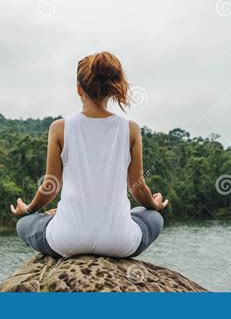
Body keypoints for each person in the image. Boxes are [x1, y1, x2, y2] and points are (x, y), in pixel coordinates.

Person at [10, 51, 168, 258]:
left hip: (66, 240)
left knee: (25, 223)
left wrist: (28, 210)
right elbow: (136, 186)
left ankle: (61, 215)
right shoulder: (131, 129)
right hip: (119, 243)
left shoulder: (59, 128)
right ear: (113, 89)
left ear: (78, 89)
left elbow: (51, 186)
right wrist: (154, 205)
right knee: (152, 216)